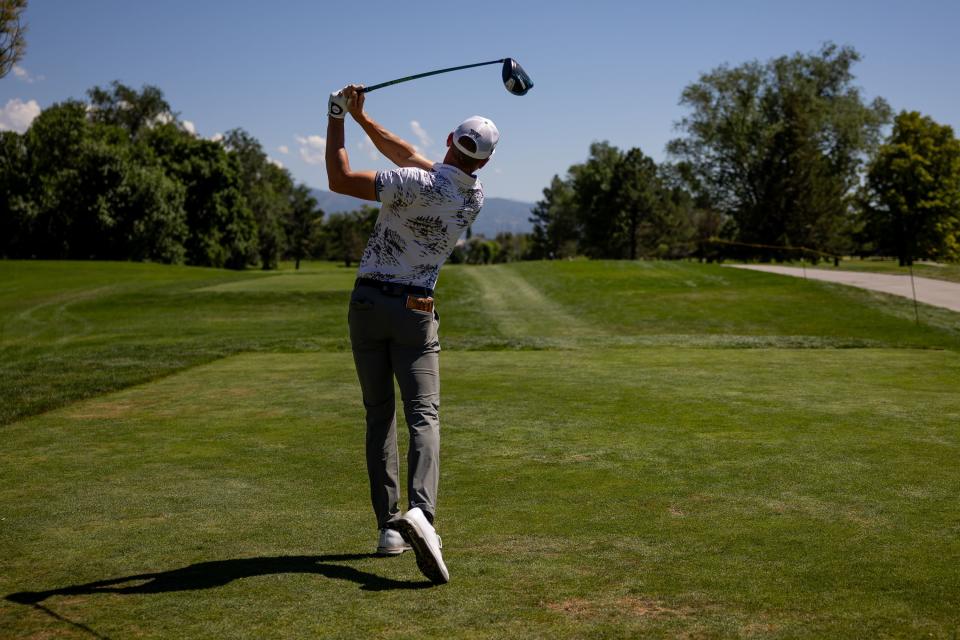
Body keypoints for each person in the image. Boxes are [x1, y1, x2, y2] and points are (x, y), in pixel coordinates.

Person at [325, 85, 499, 585]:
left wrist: (336, 115)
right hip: (416, 312)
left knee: (380, 415)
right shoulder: (473, 195)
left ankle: (389, 529)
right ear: (483, 163)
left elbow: (339, 178)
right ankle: (423, 514)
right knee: (424, 415)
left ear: (448, 139)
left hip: (366, 305)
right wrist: (362, 117)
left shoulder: (408, 183)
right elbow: (407, 154)